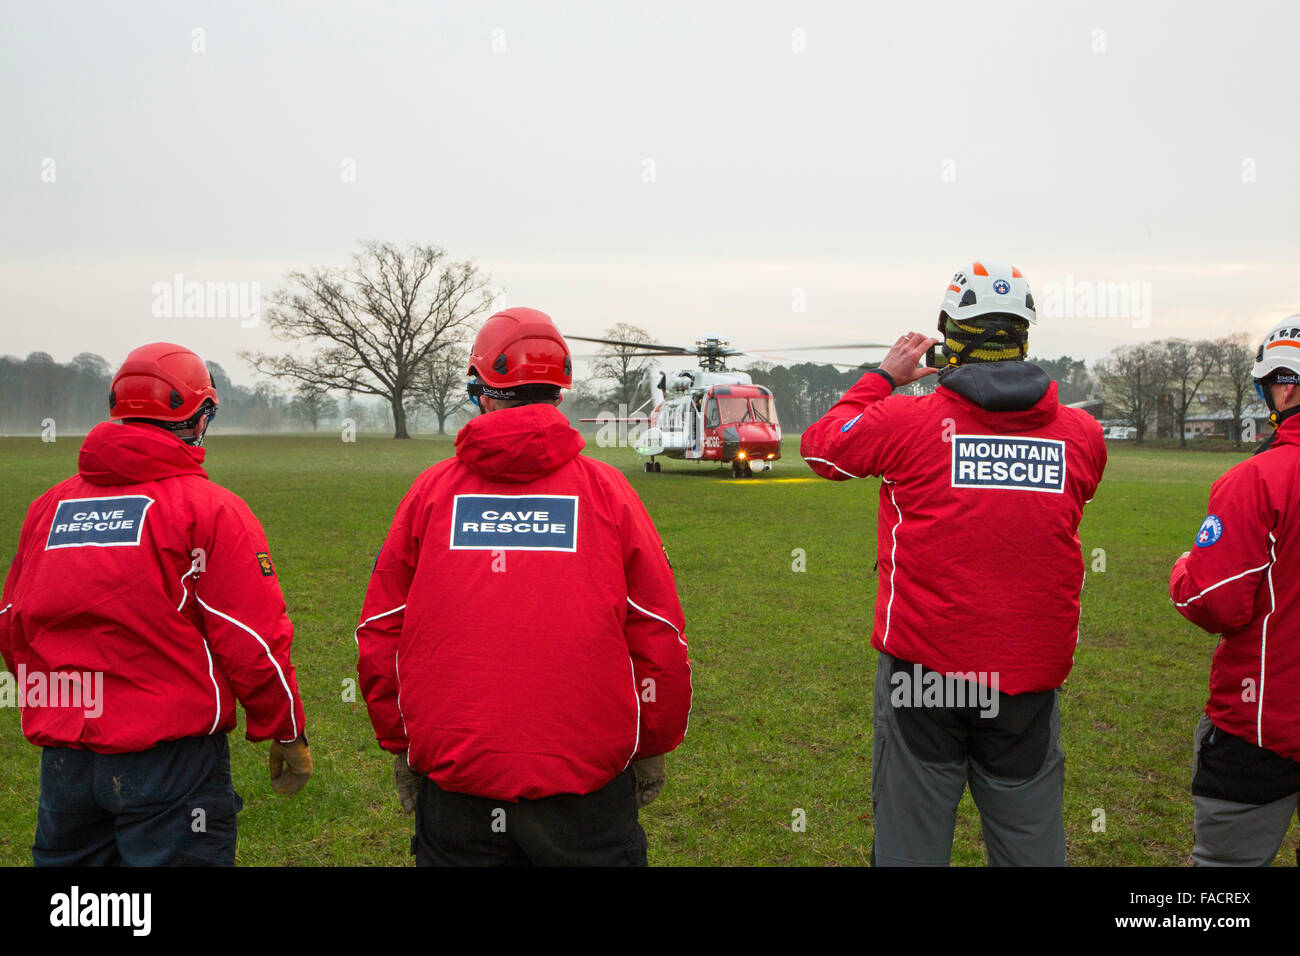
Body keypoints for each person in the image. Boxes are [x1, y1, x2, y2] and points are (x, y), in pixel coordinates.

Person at [355, 307, 691, 867]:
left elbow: (380, 629)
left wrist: (403, 742)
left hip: (457, 792)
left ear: (480, 390)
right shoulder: (607, 492)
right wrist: (652, 744)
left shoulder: (431, 494)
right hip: (586, 797)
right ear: (560, 393)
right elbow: (658, 632)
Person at [801, 262, 1107, 866]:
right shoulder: (1083, 436)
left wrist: (882, 378)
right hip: (1028, 684)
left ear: (948, 337)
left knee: (910, 850)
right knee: (1031, 847)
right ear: (1023, 336)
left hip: (923, 677)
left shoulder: (905, 423)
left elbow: (823, 449)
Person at [0, 342, 311, 866]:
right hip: (173, 761)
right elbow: (253, 641)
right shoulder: (211, 510)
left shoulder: (49, 508)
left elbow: (12, 625)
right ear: (200, 416)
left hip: (66, 766)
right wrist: (284, 729)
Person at [1170, 316, 1300, 866]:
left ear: (1284, 385)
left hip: (1262, 726)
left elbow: (1214, 600)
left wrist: (1183, 568)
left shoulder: (1259, 478)